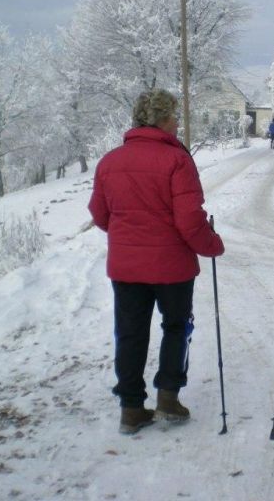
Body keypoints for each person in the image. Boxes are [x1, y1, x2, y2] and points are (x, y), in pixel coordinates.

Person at [88, 88, 225, 434]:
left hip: (126, 267)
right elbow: (188, 220)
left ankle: (131, 409)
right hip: (172, 266)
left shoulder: (109, 162)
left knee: (130, 334)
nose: (178, 123)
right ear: (162, 120)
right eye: (175, 117)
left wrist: (126, 234)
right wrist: (212, 245)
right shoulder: (177, 160)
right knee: (176, 327)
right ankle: (168, 398)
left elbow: (100, 215)